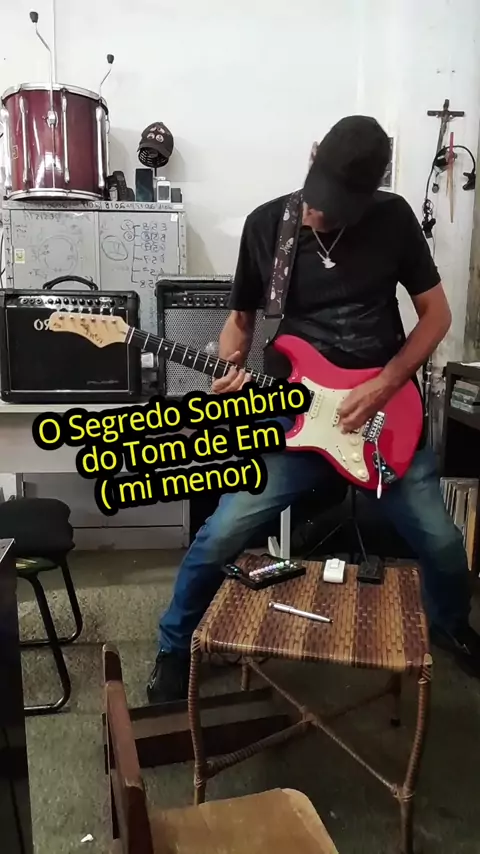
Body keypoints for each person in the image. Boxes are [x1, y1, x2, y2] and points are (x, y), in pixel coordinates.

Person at [147, 115, 480, 703]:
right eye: (320, 197)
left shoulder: (395, 219)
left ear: (373, 189)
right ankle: (175, 646)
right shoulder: (267, 227)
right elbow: (241, 322)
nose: (320, 215)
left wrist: (384, 385)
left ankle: (450, 623)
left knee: (444, 545)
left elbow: (437, 317)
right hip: (295, 422)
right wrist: (230, 360)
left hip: (384, 417)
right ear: (313, 154)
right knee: (222, 531)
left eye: (339, 207)